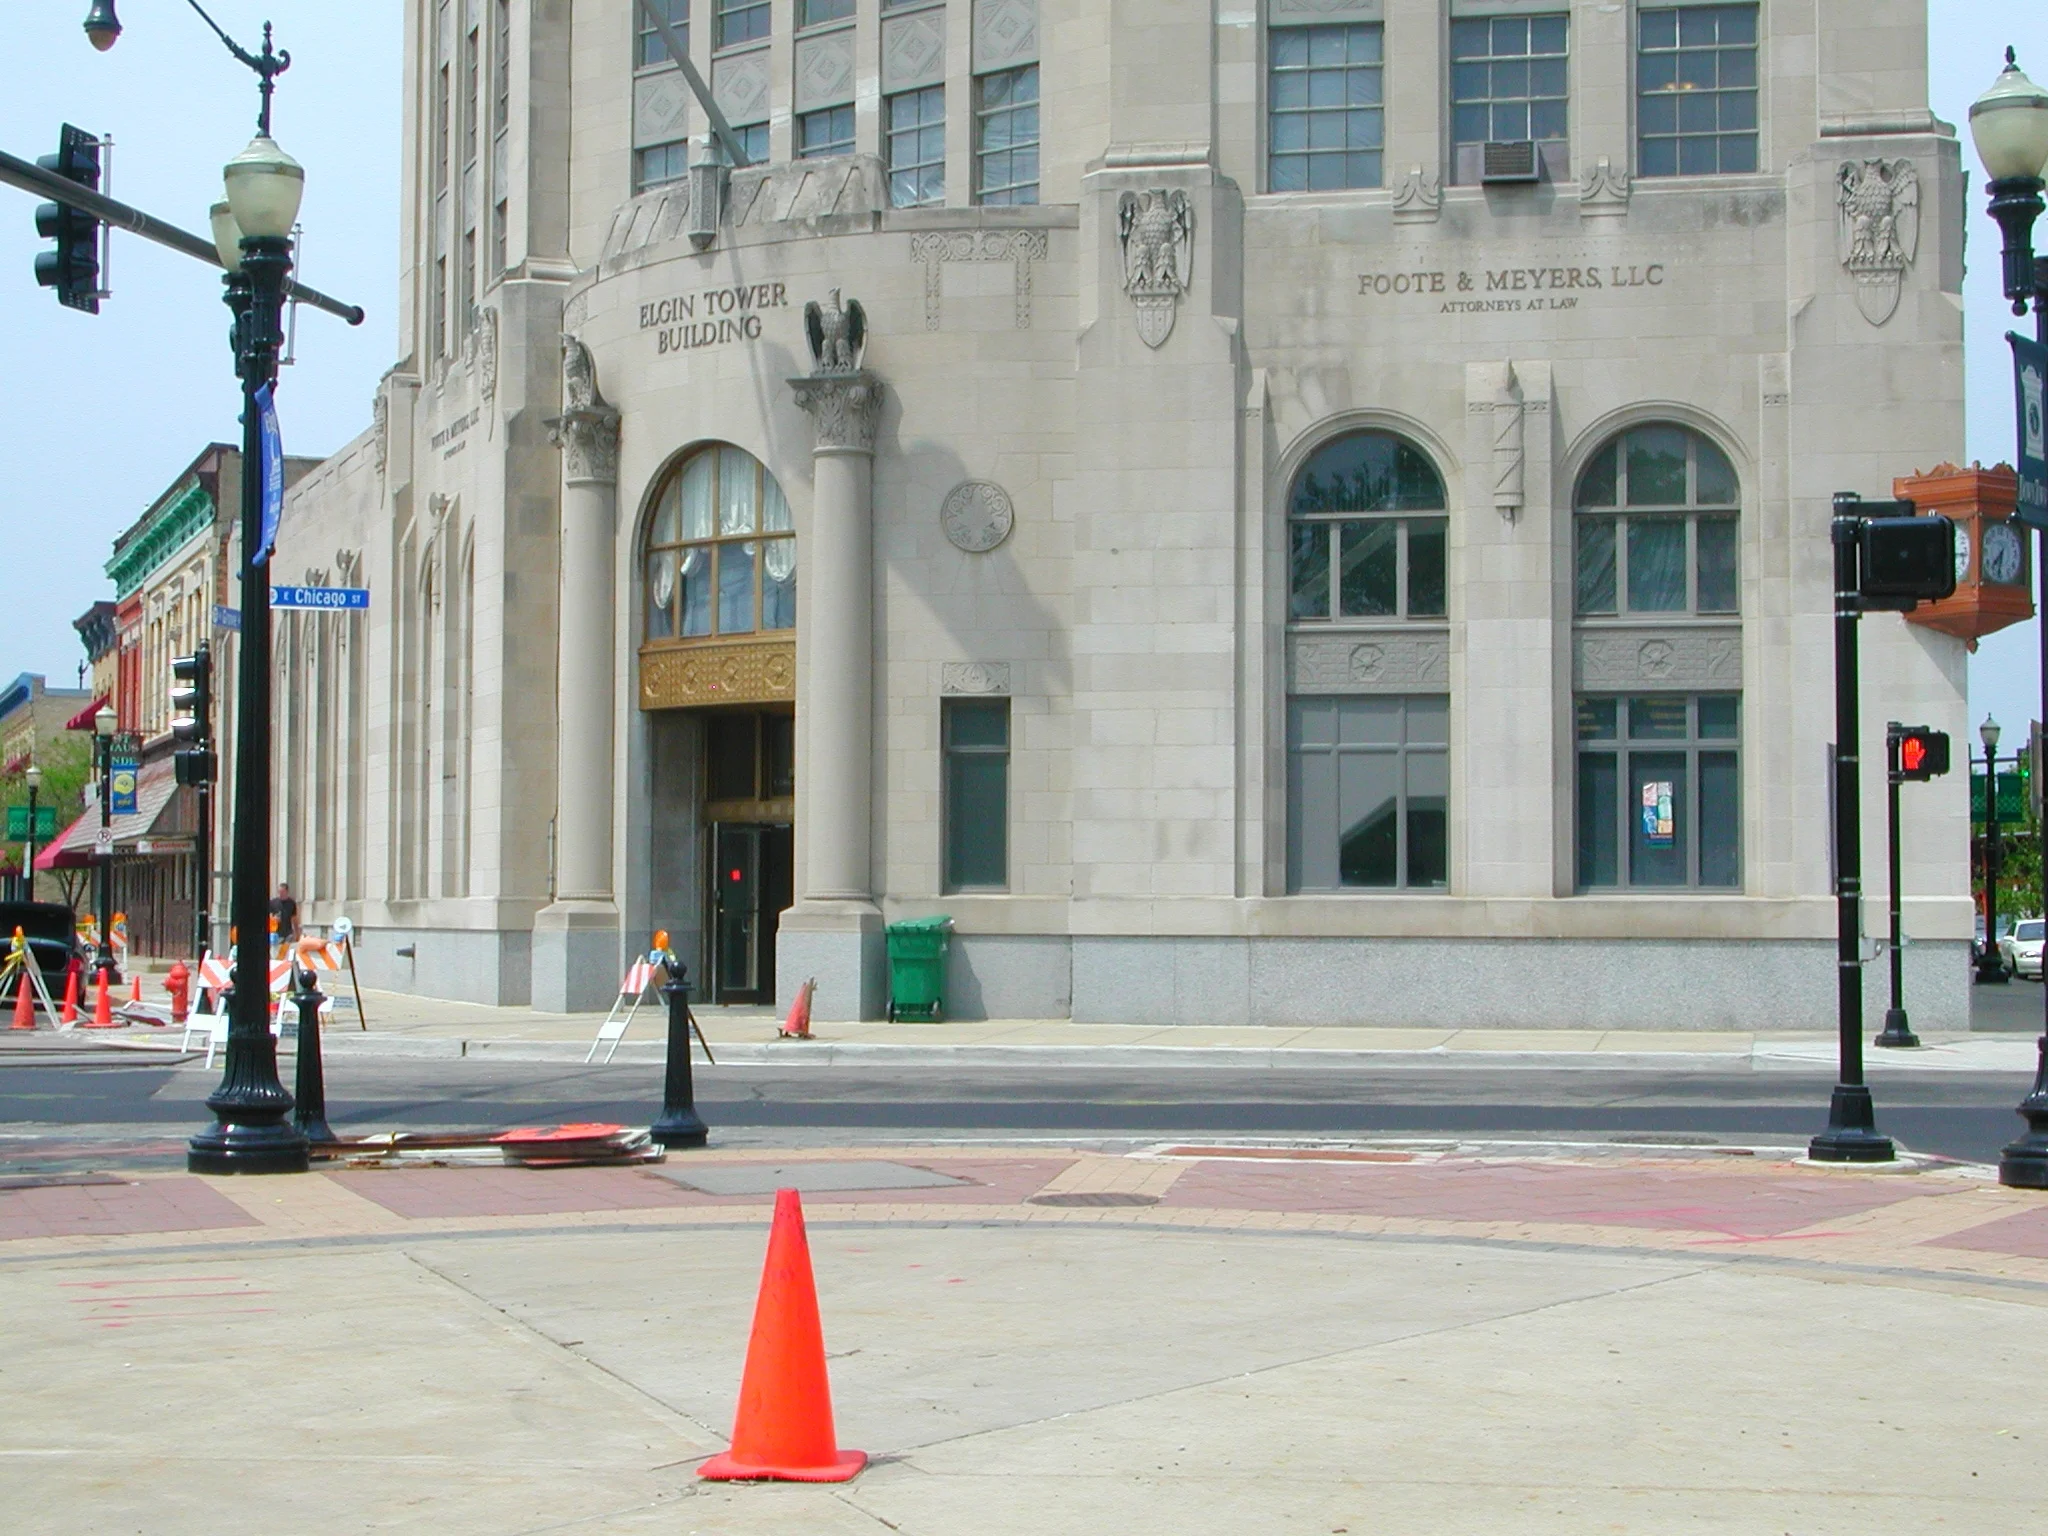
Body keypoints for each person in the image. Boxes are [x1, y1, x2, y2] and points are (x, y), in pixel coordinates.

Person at [269, 882, 300, 951]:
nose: (280, 894)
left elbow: (294, 919)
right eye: (279, 892)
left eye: (282, 892)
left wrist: (297, 933)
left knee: (287, 950)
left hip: (288, 933)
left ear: (286, 892)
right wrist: (274, 919)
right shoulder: (273, 902)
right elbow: (268, 917)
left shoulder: (291, 903)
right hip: (276, 933)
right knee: (276, 951)